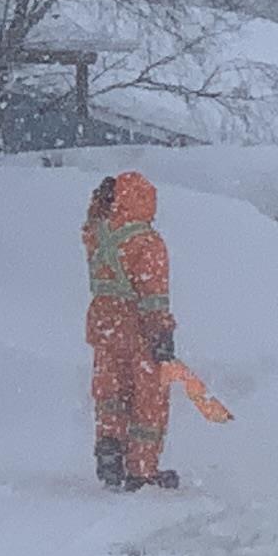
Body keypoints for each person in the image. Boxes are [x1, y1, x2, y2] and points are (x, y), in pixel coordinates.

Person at [83, 171, 179, 490]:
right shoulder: (147, 242)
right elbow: (153, 295)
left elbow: (94, 222)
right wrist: (162, 332)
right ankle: (142, 470)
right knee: (147, 397)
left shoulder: (97, 235)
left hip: (104, 323)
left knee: (111, 393)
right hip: (137, 325)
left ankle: (110, 450)